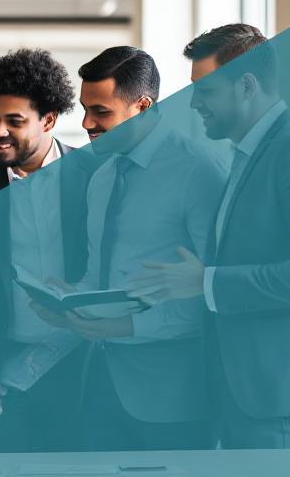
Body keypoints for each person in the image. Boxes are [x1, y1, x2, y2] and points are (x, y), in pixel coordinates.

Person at [129, 24, 290, 460]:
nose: (195, 102)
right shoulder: (247, 156)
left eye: (205, 90)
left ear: (247, 85)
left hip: (287, 397)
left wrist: (207, 282)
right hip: (250, 393)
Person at [30, 46, 225, 452]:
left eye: (101, 112)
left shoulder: (197, 172)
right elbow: (101, 279)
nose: (86, 123)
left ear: (142, 105)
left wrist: (124, 327)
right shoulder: (102, 178)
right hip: (100, 387)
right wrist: (68, 301)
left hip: (172, 397)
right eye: (84, 109)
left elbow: (210, 291)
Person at [0, 48, 89, 453]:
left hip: (83, 368)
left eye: (14, 121)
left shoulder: (93, 176)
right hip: (3, 378)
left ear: (49, 120)